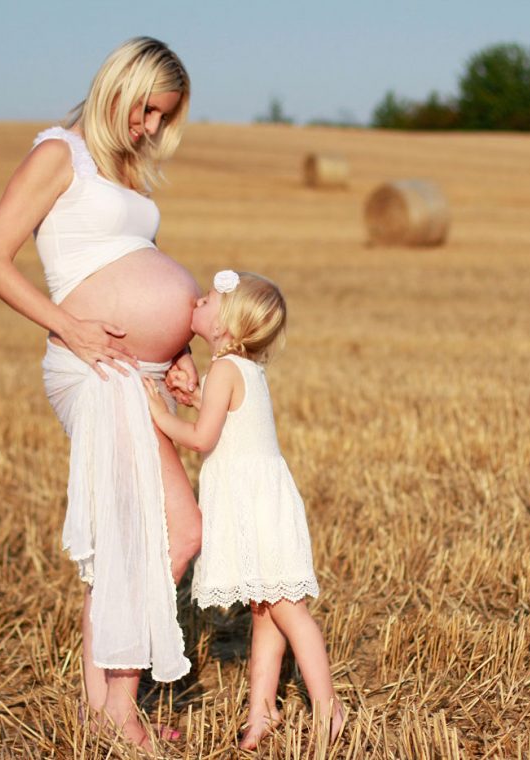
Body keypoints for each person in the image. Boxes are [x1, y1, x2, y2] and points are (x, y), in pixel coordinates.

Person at [0, 37, 202, 749]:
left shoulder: (123, 170)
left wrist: (181, 351)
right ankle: (117, 704)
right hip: (97, 367)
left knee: (131, 535)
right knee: (172, 531)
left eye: (164, 119)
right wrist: (69, 325)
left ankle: (98, 704)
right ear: (119, 86)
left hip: (141, 374)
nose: (153, 130)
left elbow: (134, 264)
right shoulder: (57, 155)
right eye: (148, 111)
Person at [142, 270, 345, 750]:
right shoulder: (240, 371)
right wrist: (192, 399)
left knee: (289, 611)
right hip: (259, 500)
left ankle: (329, 709)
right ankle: (262, 711)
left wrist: (160, 413)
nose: (198, 299)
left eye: (209, 299)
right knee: (264, 611)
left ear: (226, 327)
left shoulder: (229, 371)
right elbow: (228, 425)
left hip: (255, 506)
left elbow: (201, 439)